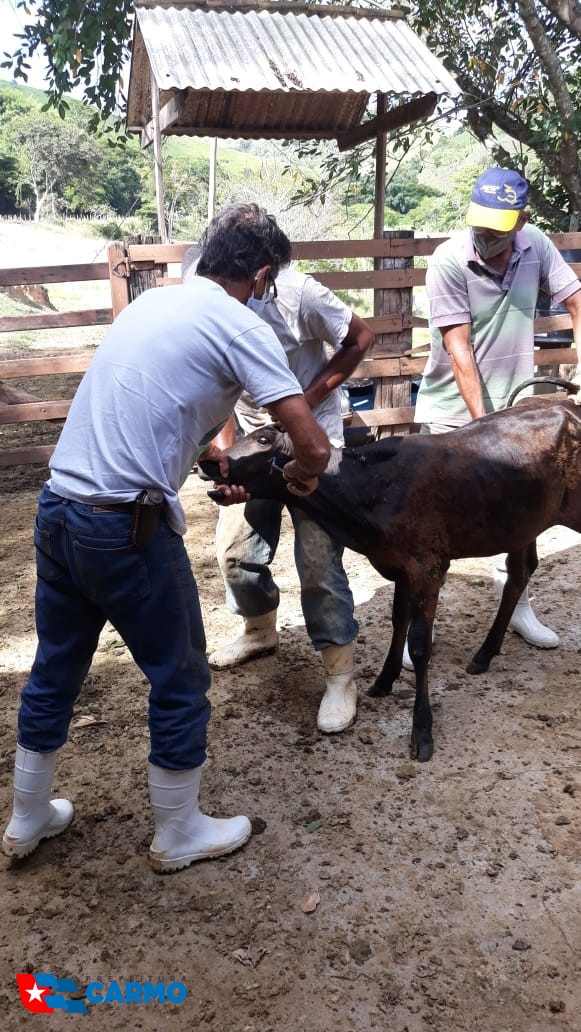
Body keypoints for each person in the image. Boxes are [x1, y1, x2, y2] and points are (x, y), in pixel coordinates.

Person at [1, 222, 331, 873]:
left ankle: (26, 815)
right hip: (126, 528)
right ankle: (177, 831)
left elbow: (154, 401)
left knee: (56, 666)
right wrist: (301, 476)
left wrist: (209, 453)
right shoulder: (243, 327)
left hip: (60, 508)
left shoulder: (154, 302)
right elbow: (312, 443)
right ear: (262, 277)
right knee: (179, 676)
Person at [182, 204, 373, 734]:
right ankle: (260, 629)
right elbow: (211, 378)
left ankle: (339, 674)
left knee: (317, 561)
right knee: (235, 551)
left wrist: (305, 401)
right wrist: (226, 451)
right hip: (249, 437)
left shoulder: (302, 295)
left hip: (315, 439)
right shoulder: (203, 284)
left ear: (263, 275)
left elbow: (360, 338)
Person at [410, 167, 581, 668]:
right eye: (479, 228)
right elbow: (458, 348)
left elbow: (576, 302)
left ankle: (519, 606)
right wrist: (484, 431)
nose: (483, 238)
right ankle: (422, 624)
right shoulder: (449, 260)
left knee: (522, 515)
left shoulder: (538, 247)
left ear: (522, 221)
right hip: (450, 414)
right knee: (431, 523)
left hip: (517, 408)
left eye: (495, 231)